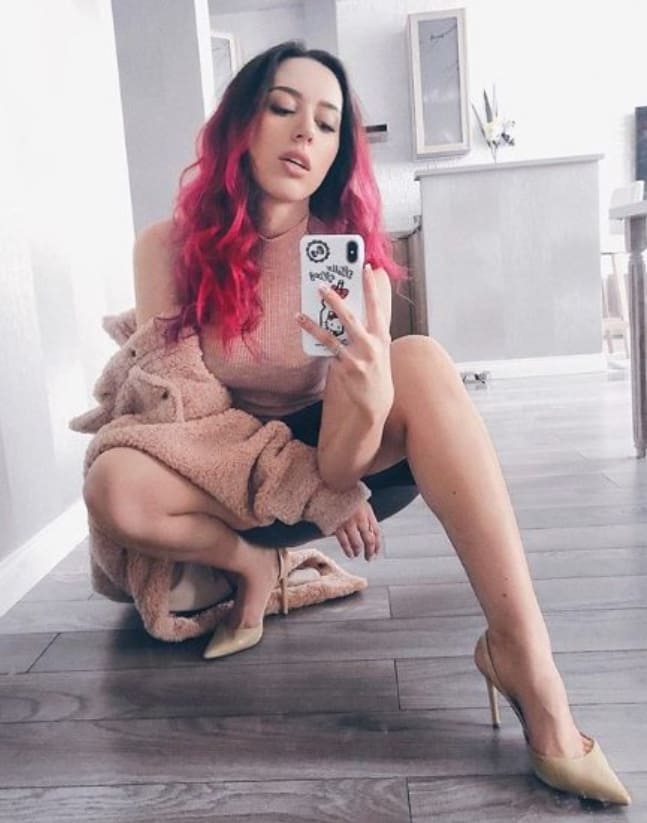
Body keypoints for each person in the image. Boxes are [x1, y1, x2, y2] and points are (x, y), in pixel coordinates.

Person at [82, 41, 630, 805]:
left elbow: (341, 463)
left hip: (341, 461)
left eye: (326, 123)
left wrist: (366, 390)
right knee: (114, 482)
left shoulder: (339, 253)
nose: (304, 133)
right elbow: (187, 413)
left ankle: (526, 661)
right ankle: (250, 565)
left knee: (420, 360)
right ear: (241, 124)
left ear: (338, 150)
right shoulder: (167, 248)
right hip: (221, 469)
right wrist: (317, 492)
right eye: (283, 108)